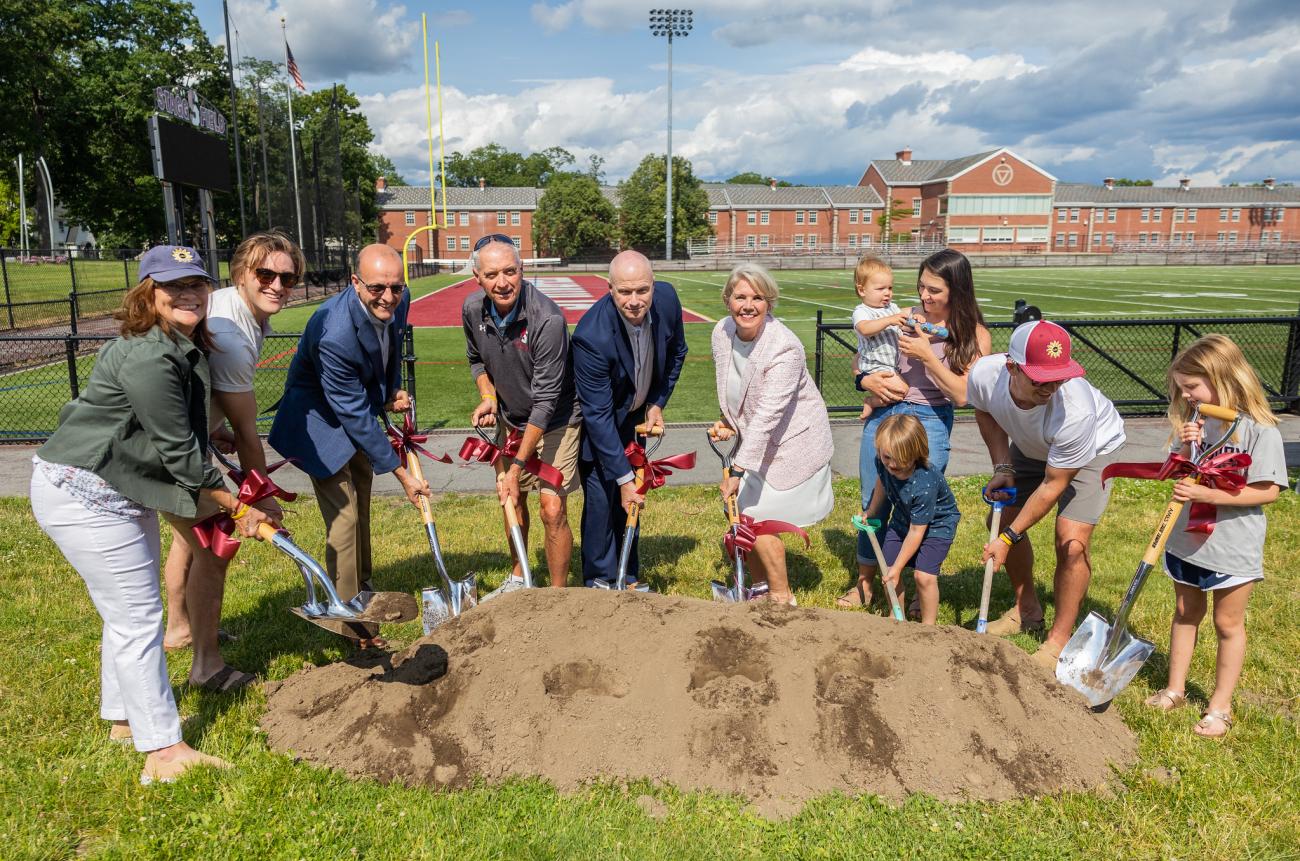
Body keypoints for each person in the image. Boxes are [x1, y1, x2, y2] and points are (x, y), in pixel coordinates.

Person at [30, 245, 276, 784]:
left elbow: (172, 432)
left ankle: (123, 721)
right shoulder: (150, 355)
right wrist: (241, 507)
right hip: (88, 492)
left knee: (126, 616)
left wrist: (220, 438)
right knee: (139, 619)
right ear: (148, 293)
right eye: (173, 285)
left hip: (120, 490)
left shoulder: (176, 343)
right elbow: (180, 456)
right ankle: (163, 753)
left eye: (196, 284)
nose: (188, 294)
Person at [161, 231, 304, 691]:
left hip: (184, 438)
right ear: (240, 273)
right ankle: (206, 665)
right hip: (171, 449)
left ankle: (181, 628)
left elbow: (208, 397)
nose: (277, 285)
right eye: (265, 274)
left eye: (287, 277)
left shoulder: (232, 309)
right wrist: (262, 497)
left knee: (191, 536)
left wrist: (209, 426)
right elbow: (247, 432)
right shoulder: (231, 334)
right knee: (215, 541)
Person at [269, 244, 429, 648]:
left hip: (352, 410)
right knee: (344, 519)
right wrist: (401, 473)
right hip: (318, 423)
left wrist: (392, 386)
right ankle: (351, 624)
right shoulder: (335, 332)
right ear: (356, 283)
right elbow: (354, 413)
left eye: (396, 286)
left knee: (362, 508)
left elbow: (392, 341)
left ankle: (365, 588)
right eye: (377, 288)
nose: (388, 297)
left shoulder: (397, 299)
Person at [1143, 335, 1286, 738]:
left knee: (1227, 623)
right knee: (1186, 614)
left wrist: (1207, 493)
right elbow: (1177, 473)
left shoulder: (1260, 430)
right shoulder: (1196, 425)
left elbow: (1268, 491)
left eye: (1192, 387)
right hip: (1187, 539)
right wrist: (1185, 447)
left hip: (1231, 545)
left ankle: (1220, 707)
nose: (1186, 396)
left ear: (1223, 378)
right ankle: (1175, 689)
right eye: (1182, 389)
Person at [971, 319, 1127, 670]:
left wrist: (1008, 540)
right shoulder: (984, 375)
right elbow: (983, 410)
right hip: (1035, 445)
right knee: (1001, 518)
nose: (1052, 386)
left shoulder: (1076, 410)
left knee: (1071, 541)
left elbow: (1053, 484)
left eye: (1060, 376)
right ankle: (1027, 611)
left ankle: (1057, 641)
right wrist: (1003, 467)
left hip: (1092, 449)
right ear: (1012, 367)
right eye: (1041, 379)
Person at [841, 249, 990, 611]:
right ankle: (866, 583)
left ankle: (910, 586)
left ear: (957, 290)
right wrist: (865, 381)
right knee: (871, 503)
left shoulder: (974, 335)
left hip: (931, 419)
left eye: (934, 290)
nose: (924, 296)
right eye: (921, 287)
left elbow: (961, 395)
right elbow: (861, 358)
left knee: (917, 506)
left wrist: (926, 355)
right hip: (886, 411)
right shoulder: (906, 316)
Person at [709, 263, 834, 605]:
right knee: (739, 512)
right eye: (740, 297)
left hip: (794, 445)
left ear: (769, 303)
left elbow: (767, 415)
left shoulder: (784, 348)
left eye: (757, 298)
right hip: (758, 442)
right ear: (727, 300)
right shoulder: (722, 332)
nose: (748, 305)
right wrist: (728, 420)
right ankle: (759, 590)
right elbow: (735, 388)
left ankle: (782, 598)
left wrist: (737, 470)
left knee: (757, 519)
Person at [463, 234, 582, 590]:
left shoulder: (548, 320)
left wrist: (515, 467)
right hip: (511, 418)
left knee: (552, 507)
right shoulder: (472, 309)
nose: (503, 282)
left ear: (522, 269)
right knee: (512, 499)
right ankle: (519, 577)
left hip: (557, 418)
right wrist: (488, 396)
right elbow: (475, 361)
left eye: (511, 271)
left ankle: (557, 595)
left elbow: (546, 402)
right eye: (492, 274)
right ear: (477, 277)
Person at [572, 250, 688, 588]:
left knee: (630, 501)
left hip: (635, 414)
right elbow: (598, 416)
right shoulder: (591, 337)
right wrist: (622, 480)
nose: (635, 301)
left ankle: (630, 576)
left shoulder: (666, 300)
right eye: (625, 292)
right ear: (609, 288)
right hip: (599, 420)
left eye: (642, 290)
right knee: (601, 499)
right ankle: (598, 579)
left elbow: (677, 352)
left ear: (653, 286)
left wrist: (656, 403)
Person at [863, 414, 960, 623]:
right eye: (887, 457)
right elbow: (882, 480)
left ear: (917, 453)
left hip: (937, 525)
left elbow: (917, 532)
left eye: (901, 459)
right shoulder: (883, 462)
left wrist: (899, 568)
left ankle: (928, 627)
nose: (892, 465)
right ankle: (896, 617)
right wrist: (871, 511)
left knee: (923, 576)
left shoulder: (924, 483)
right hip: (903, 520)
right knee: (888, 572)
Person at [851, 256, 909, 421]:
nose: (887, 293)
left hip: (892, 363)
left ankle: (877, 402)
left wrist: (912, 321)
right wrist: (890, 320)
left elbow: (903, 319)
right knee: (902, 390)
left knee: (894, 393)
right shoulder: (862, 311)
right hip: (875, 364)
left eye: (890, 288)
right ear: (862, 290)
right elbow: (865, 329)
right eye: (880, 288)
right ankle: (871, 401)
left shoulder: (892, 307)